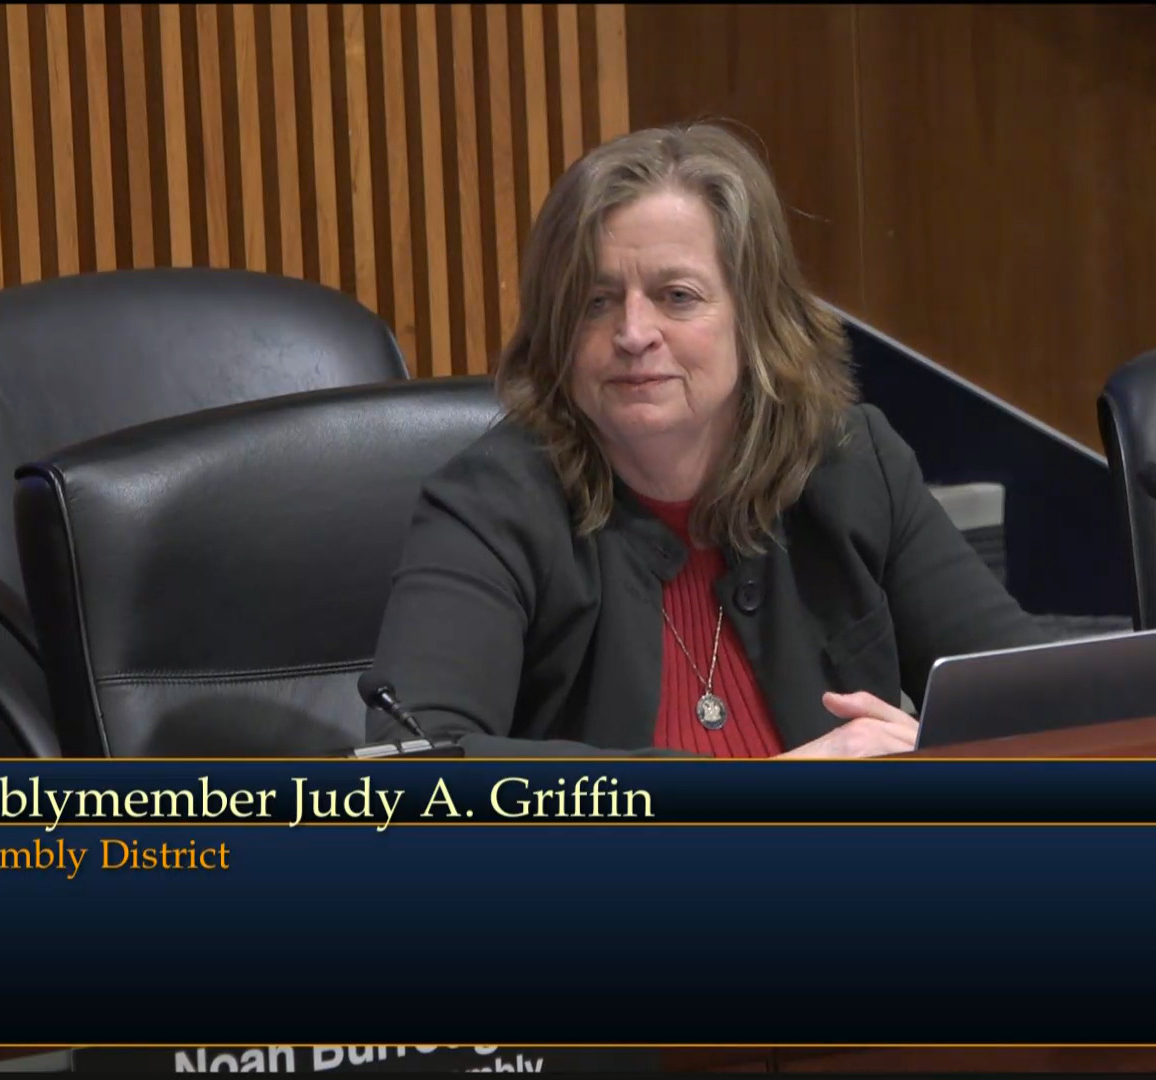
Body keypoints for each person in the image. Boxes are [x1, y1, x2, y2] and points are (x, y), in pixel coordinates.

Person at [366, 123, 1047, 757]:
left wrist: (941, 754)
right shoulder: (489, 505)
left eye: (677, 296)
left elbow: (1040, 710)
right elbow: (421, 769)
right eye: (595, 301)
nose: (633, 334)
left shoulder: (848, 464)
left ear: (756, 317)